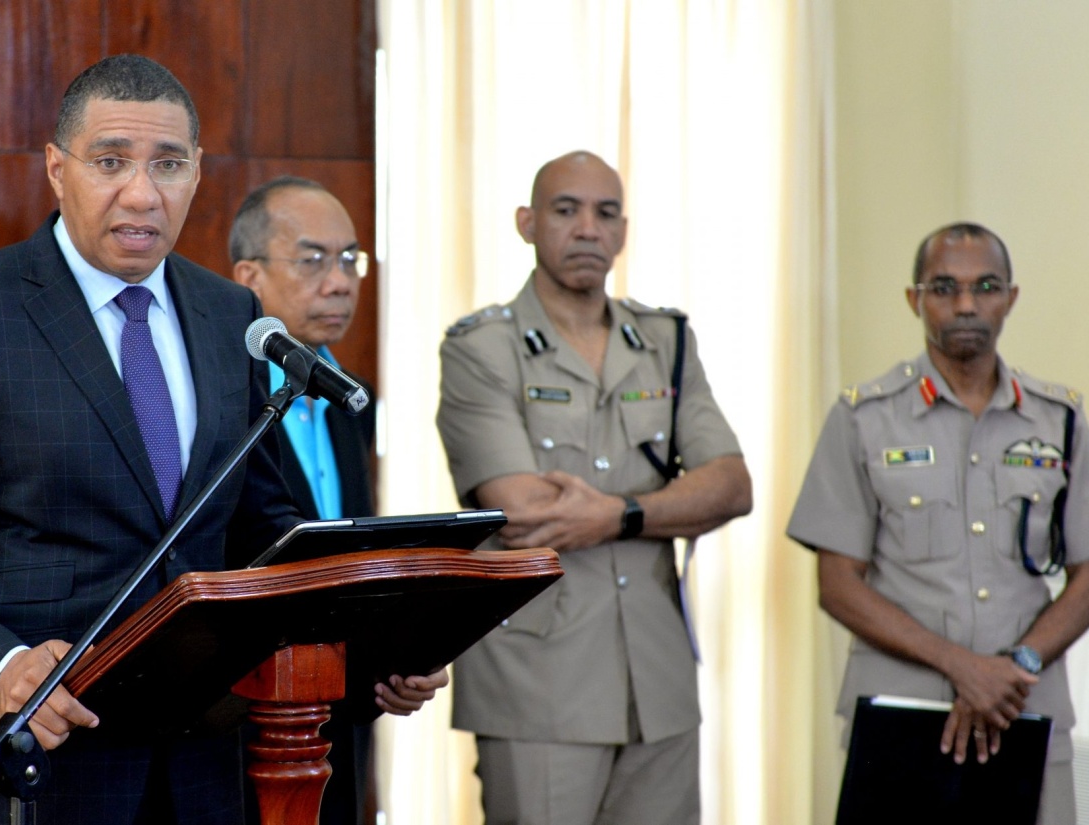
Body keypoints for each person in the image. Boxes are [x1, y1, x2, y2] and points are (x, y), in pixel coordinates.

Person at [0, 55, 436, 825]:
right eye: (110, 161)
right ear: (56, 168)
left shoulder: (229, 316)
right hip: (34, 768)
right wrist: (1, 668)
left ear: (198, 173)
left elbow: (263, 530)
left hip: (203, 775)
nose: (142, 193)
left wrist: (372, 648)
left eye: (169, 164)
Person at [435, 150, 752, 825]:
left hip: (658, 678)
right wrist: (668, 506)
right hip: (540, 681)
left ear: (623, 230)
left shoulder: (665, 340)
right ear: (526, 222)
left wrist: (621, 514)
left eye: (606, 213)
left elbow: (730, 484)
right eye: (565, 210)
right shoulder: (480, 347)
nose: (587, 228)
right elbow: (522, 510)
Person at [787, 222, 1089, 823]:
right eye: (945, 287)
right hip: (903, 716)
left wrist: (1016, 666)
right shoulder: (864, 420)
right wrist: (963, 668)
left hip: (1024, 709)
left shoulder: (1060, 421)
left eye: (986, 286)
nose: (967, 304)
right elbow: (838, 585)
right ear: (915, 299)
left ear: (1011, 297)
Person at [231, 176, 448, 825]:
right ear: (249, 275)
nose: (341, 280)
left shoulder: (351, 397)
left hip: (338, 718)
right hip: (244, 720)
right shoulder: (222, 399)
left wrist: (391, 660)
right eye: (312, 259)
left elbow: (343, 557)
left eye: (350, 258)